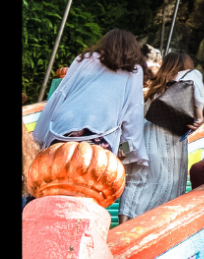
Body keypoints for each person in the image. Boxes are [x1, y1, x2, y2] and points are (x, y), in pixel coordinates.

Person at [33, 29, 147, 166]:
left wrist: (39, 136)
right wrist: (125, 148)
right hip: (99, 138)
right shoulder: (134, 70)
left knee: (55, 178)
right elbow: (134, 114)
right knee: (88, 183)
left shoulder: (85, 58)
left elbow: (60, 94)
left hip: (62, 130)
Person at [117, 51, 204, 222]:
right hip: (172, 156)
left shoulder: (150, 95)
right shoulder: (188, 88)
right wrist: (200, 116)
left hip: (145, 150)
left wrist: (122, 148)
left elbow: (135, 128)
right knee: (168, 193)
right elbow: (196, 80)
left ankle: (122, 229)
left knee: (135, 185)